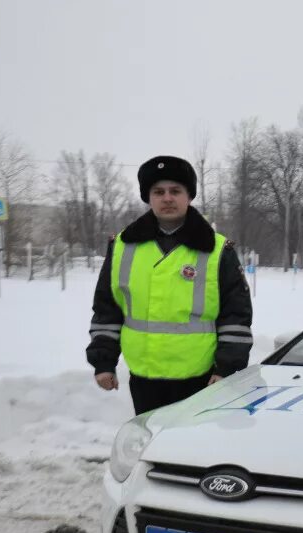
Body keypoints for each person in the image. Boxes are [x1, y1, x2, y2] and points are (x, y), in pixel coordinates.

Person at [86, 155, 253, 415]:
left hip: (201, 379)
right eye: (158, 191)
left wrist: (226, 369)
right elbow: (107, 309)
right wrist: (103, 362)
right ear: (148, 197)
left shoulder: (218, 250)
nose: (167, 198)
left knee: (194, 451)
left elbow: (236, 316)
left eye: (176, 191)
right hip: (144, 379)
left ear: (189, 196)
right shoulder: (122, 247)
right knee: (149, 446)